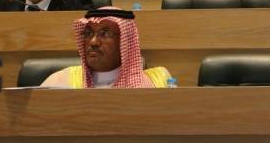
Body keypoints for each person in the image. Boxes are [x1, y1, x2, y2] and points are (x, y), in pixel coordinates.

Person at [41, 8, 172, 88]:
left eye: (105, 34)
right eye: (88, 33)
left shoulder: (158, 81)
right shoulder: (60, 81)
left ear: (125, 41)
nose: (93, 42)